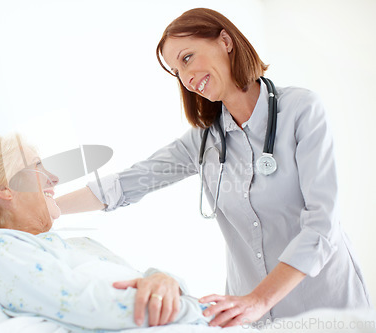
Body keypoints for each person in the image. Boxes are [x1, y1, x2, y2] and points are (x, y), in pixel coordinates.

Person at [55, 7, 372, 328]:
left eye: (187, 57)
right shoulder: (204, 142)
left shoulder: (301, 110)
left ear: (225, 40)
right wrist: (48, 208)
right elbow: (126, 183)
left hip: (324, 307)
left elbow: (322, 225)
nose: (185, 77)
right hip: (249, 316)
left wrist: (258, 299)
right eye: (176, 70)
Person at [0, 133, 211, 332]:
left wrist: (165, 280)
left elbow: (154, 283)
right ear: (4, 188)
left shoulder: (84, 244)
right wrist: (201, 310)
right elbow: (89, 306)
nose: (53, 178)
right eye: (37, 166)